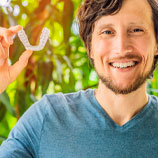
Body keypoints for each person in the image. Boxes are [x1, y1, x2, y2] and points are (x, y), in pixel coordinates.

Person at [0, 0, 158, 157]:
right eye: (107, 32)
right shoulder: (46, 117)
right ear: (89, 47)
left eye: (137, 30)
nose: (121, 47)